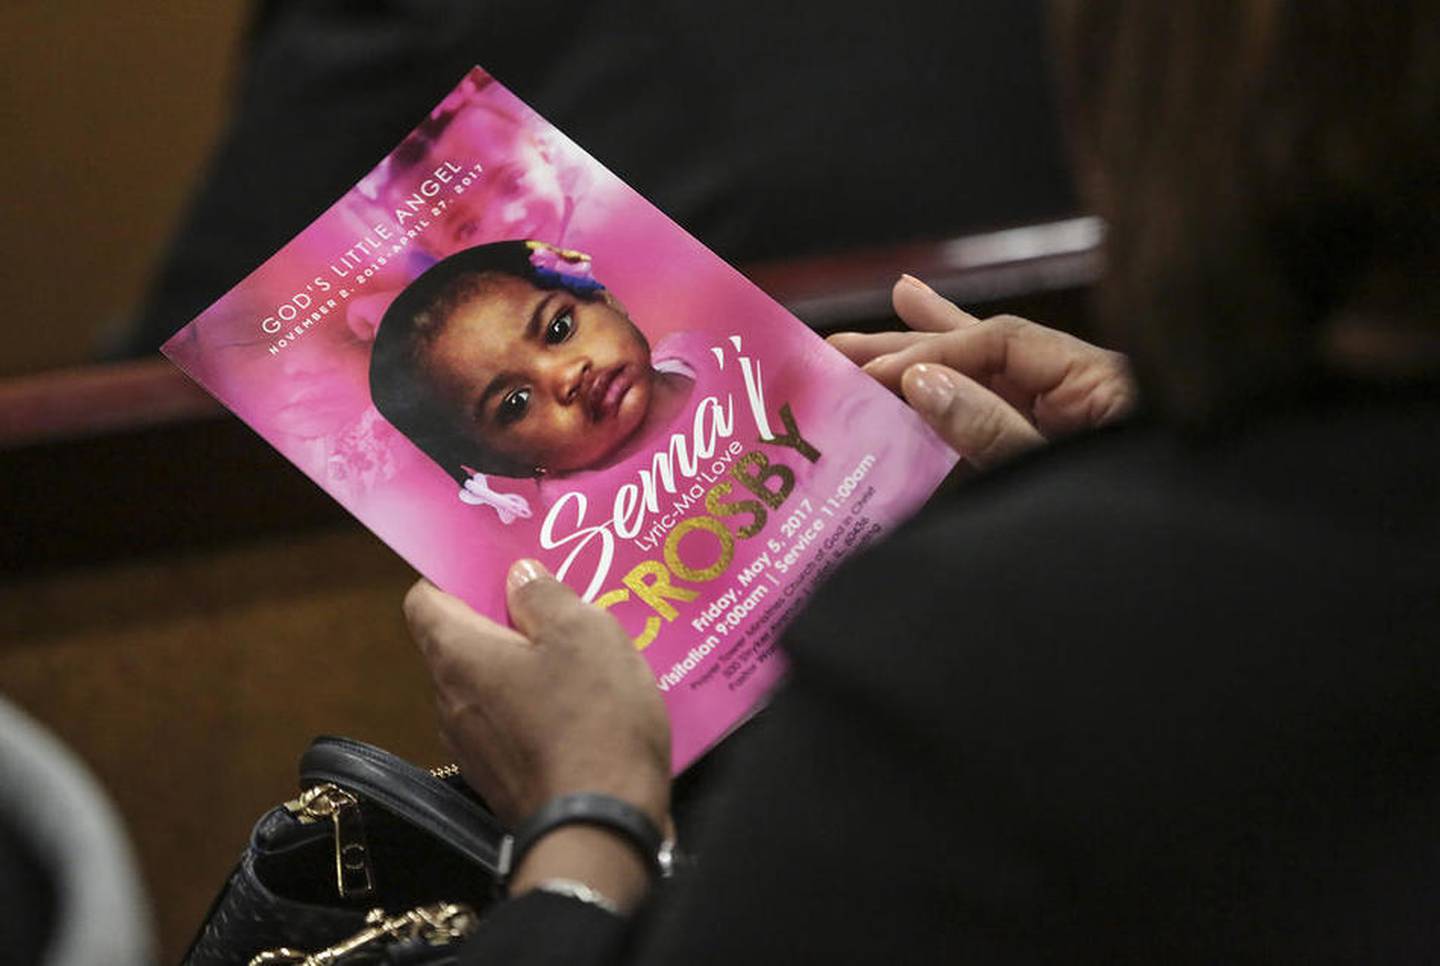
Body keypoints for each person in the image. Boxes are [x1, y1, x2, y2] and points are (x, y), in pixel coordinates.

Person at [404, 0, 1440, 961]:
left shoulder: (945, 657)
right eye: (508, 405)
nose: (567, 375)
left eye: (555, 324)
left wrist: (586, 816)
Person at [370, 240, 694, 483]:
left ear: (604, 299)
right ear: (503, 462)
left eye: (559, 329)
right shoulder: (582, 518)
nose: (566, 375)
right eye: (516, 403)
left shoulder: (699, 351)